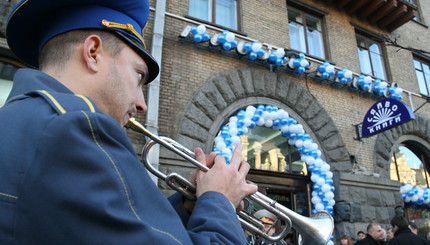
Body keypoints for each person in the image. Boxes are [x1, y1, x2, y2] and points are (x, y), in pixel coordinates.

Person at [0, 0, 258, 244]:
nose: (141, 104)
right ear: (93, 53)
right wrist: (220, 199)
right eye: (138, 76)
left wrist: (193, 204)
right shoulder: (75, 128)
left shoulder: (20, 121)